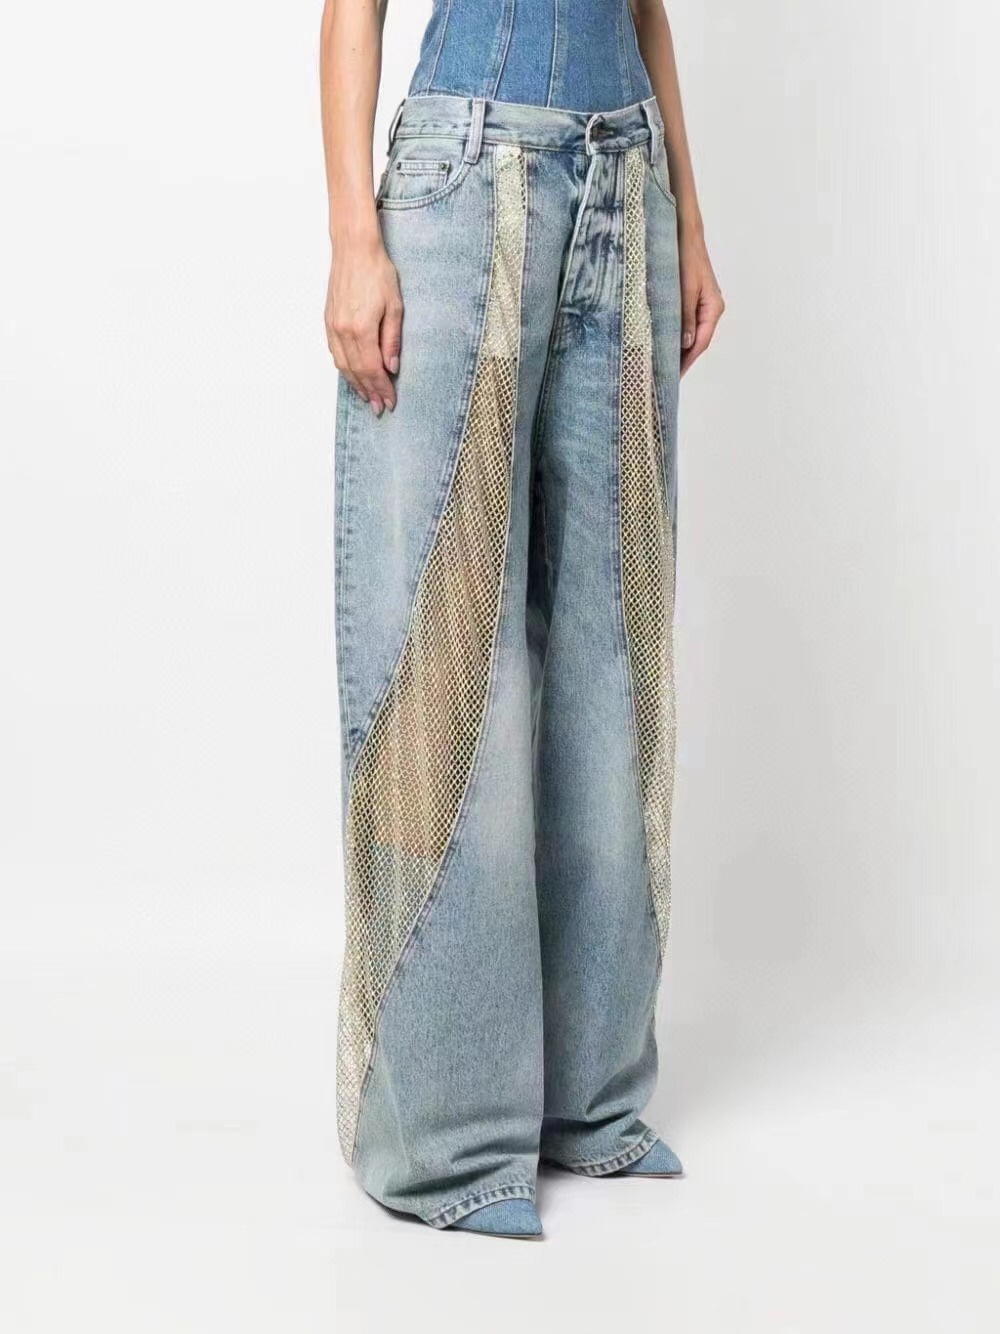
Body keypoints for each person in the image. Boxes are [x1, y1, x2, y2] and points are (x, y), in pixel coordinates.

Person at [320, 0, 723, 1238]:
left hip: (627, 181)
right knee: (451, 650)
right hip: (465, 173)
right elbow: (350, 10)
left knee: (614, 650)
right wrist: (352, 238)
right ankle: (446, 1135)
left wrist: (690, 223)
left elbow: (645, 12)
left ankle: (589, 1097)